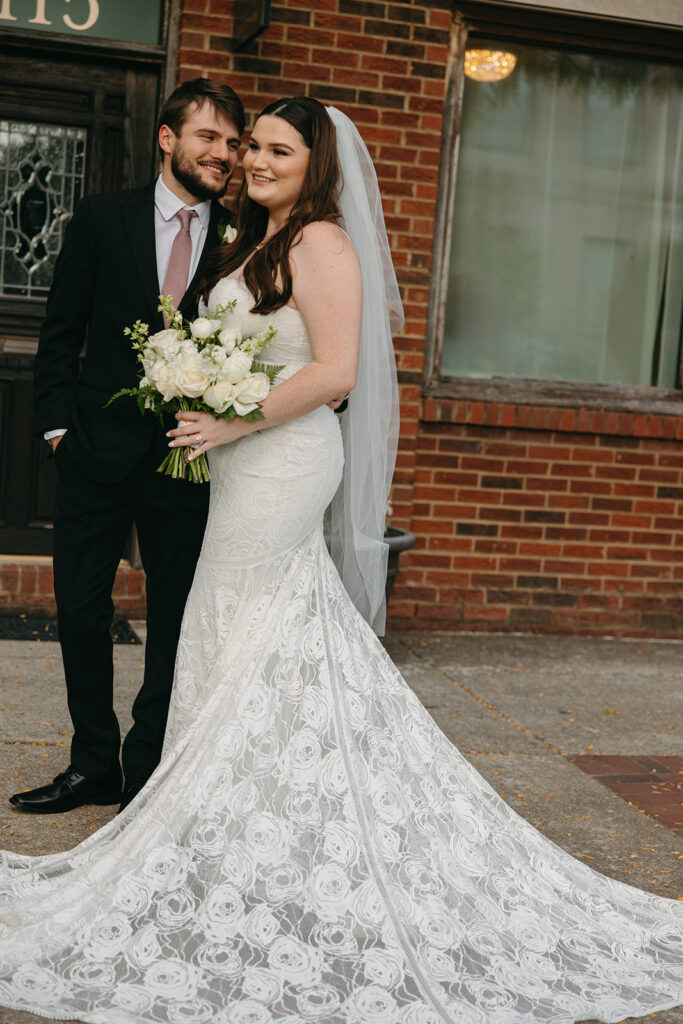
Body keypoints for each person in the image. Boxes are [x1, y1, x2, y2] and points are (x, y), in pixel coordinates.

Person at [0, 98, 681, 1024]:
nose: (256, 162)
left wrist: (228, 415)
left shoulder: (320, 242)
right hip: (233, 460)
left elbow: (336, 373)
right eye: (251, 150)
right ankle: (221, 820)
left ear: (315, 165)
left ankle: (227, 822)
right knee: (240, 627)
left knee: (242, 618)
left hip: (278, 461)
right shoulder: (251, 240)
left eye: (278, 150)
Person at [11, 78, 245, 817]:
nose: (226, 155)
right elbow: (60, 333)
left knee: (174, 616)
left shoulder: (244, 237)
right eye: (210, 138)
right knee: (81, 610)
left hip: (189, 456)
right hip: (94, 450)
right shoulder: (100, 217)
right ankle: (90, 765)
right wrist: (56, 432)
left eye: (234, 144)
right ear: (168, 138)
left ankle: (145, 769)